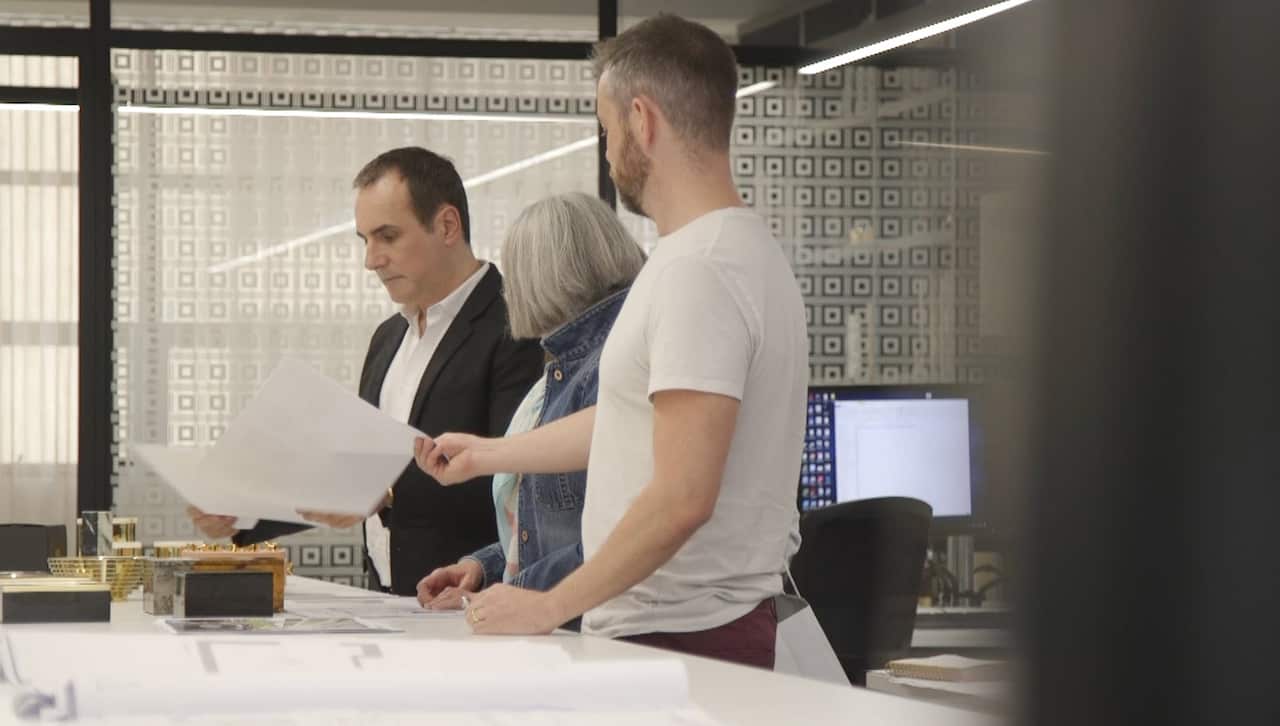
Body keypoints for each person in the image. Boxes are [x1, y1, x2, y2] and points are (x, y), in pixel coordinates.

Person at [413, 15, 808, 669]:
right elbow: (636, 421)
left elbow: (683, 498)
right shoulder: (728, 253)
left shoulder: (699, 270)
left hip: (682, 640)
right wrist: (491, 454)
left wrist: (547, 604)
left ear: (642, 120)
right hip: (683, 633)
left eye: (606, 128)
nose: (606, 149)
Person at [189, 147, 544, 596]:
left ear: (447, 226)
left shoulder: (518, 324)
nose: (371, 259)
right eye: (365, 240)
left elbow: (516, 480)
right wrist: (245, 512)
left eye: (387, 236)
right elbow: (355, 476)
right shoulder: (386, 340)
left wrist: (386, 491)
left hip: (472, 602)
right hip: (385, 599)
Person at [415, 192, 645, 612]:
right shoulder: (558, 372)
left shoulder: (607, 369)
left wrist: (520, 590)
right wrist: (483, 567)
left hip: (590, 629)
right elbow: (548, 525)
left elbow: (617, 540)